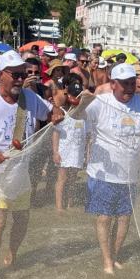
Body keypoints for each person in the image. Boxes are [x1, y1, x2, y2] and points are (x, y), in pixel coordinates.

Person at [0, 50, 60, 272]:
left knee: (22, 219)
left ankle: (12, 255)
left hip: (20, 171)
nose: (19, 79)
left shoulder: (29, 97)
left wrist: (56, 112)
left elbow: (48, 111)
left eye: (21, 74)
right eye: (14, 74)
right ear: (1, 75)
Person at [84, 63, 140, 273]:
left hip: (130, 174)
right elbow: (77, 116)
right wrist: (80, 103)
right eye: (124, 84)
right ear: (113, 84)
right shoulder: (100, 102)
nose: (128, 88)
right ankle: (107, 260)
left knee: (125, 217)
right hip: (104, 173)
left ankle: (115, 254)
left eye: (132, 84)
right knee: (105, 217)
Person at [52, 74, 87, 212]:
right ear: (68, 95)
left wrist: (87, 153)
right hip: (64, 151)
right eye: (73, 95)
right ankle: (59, 207)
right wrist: (55, 152)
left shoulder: (84, 113)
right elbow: (55, 133)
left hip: (77, 151)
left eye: (78, 96)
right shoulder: (62, 112)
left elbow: (87, 135)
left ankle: (70, 204)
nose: (76, 98)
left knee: (73, 179)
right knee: (62, 178)